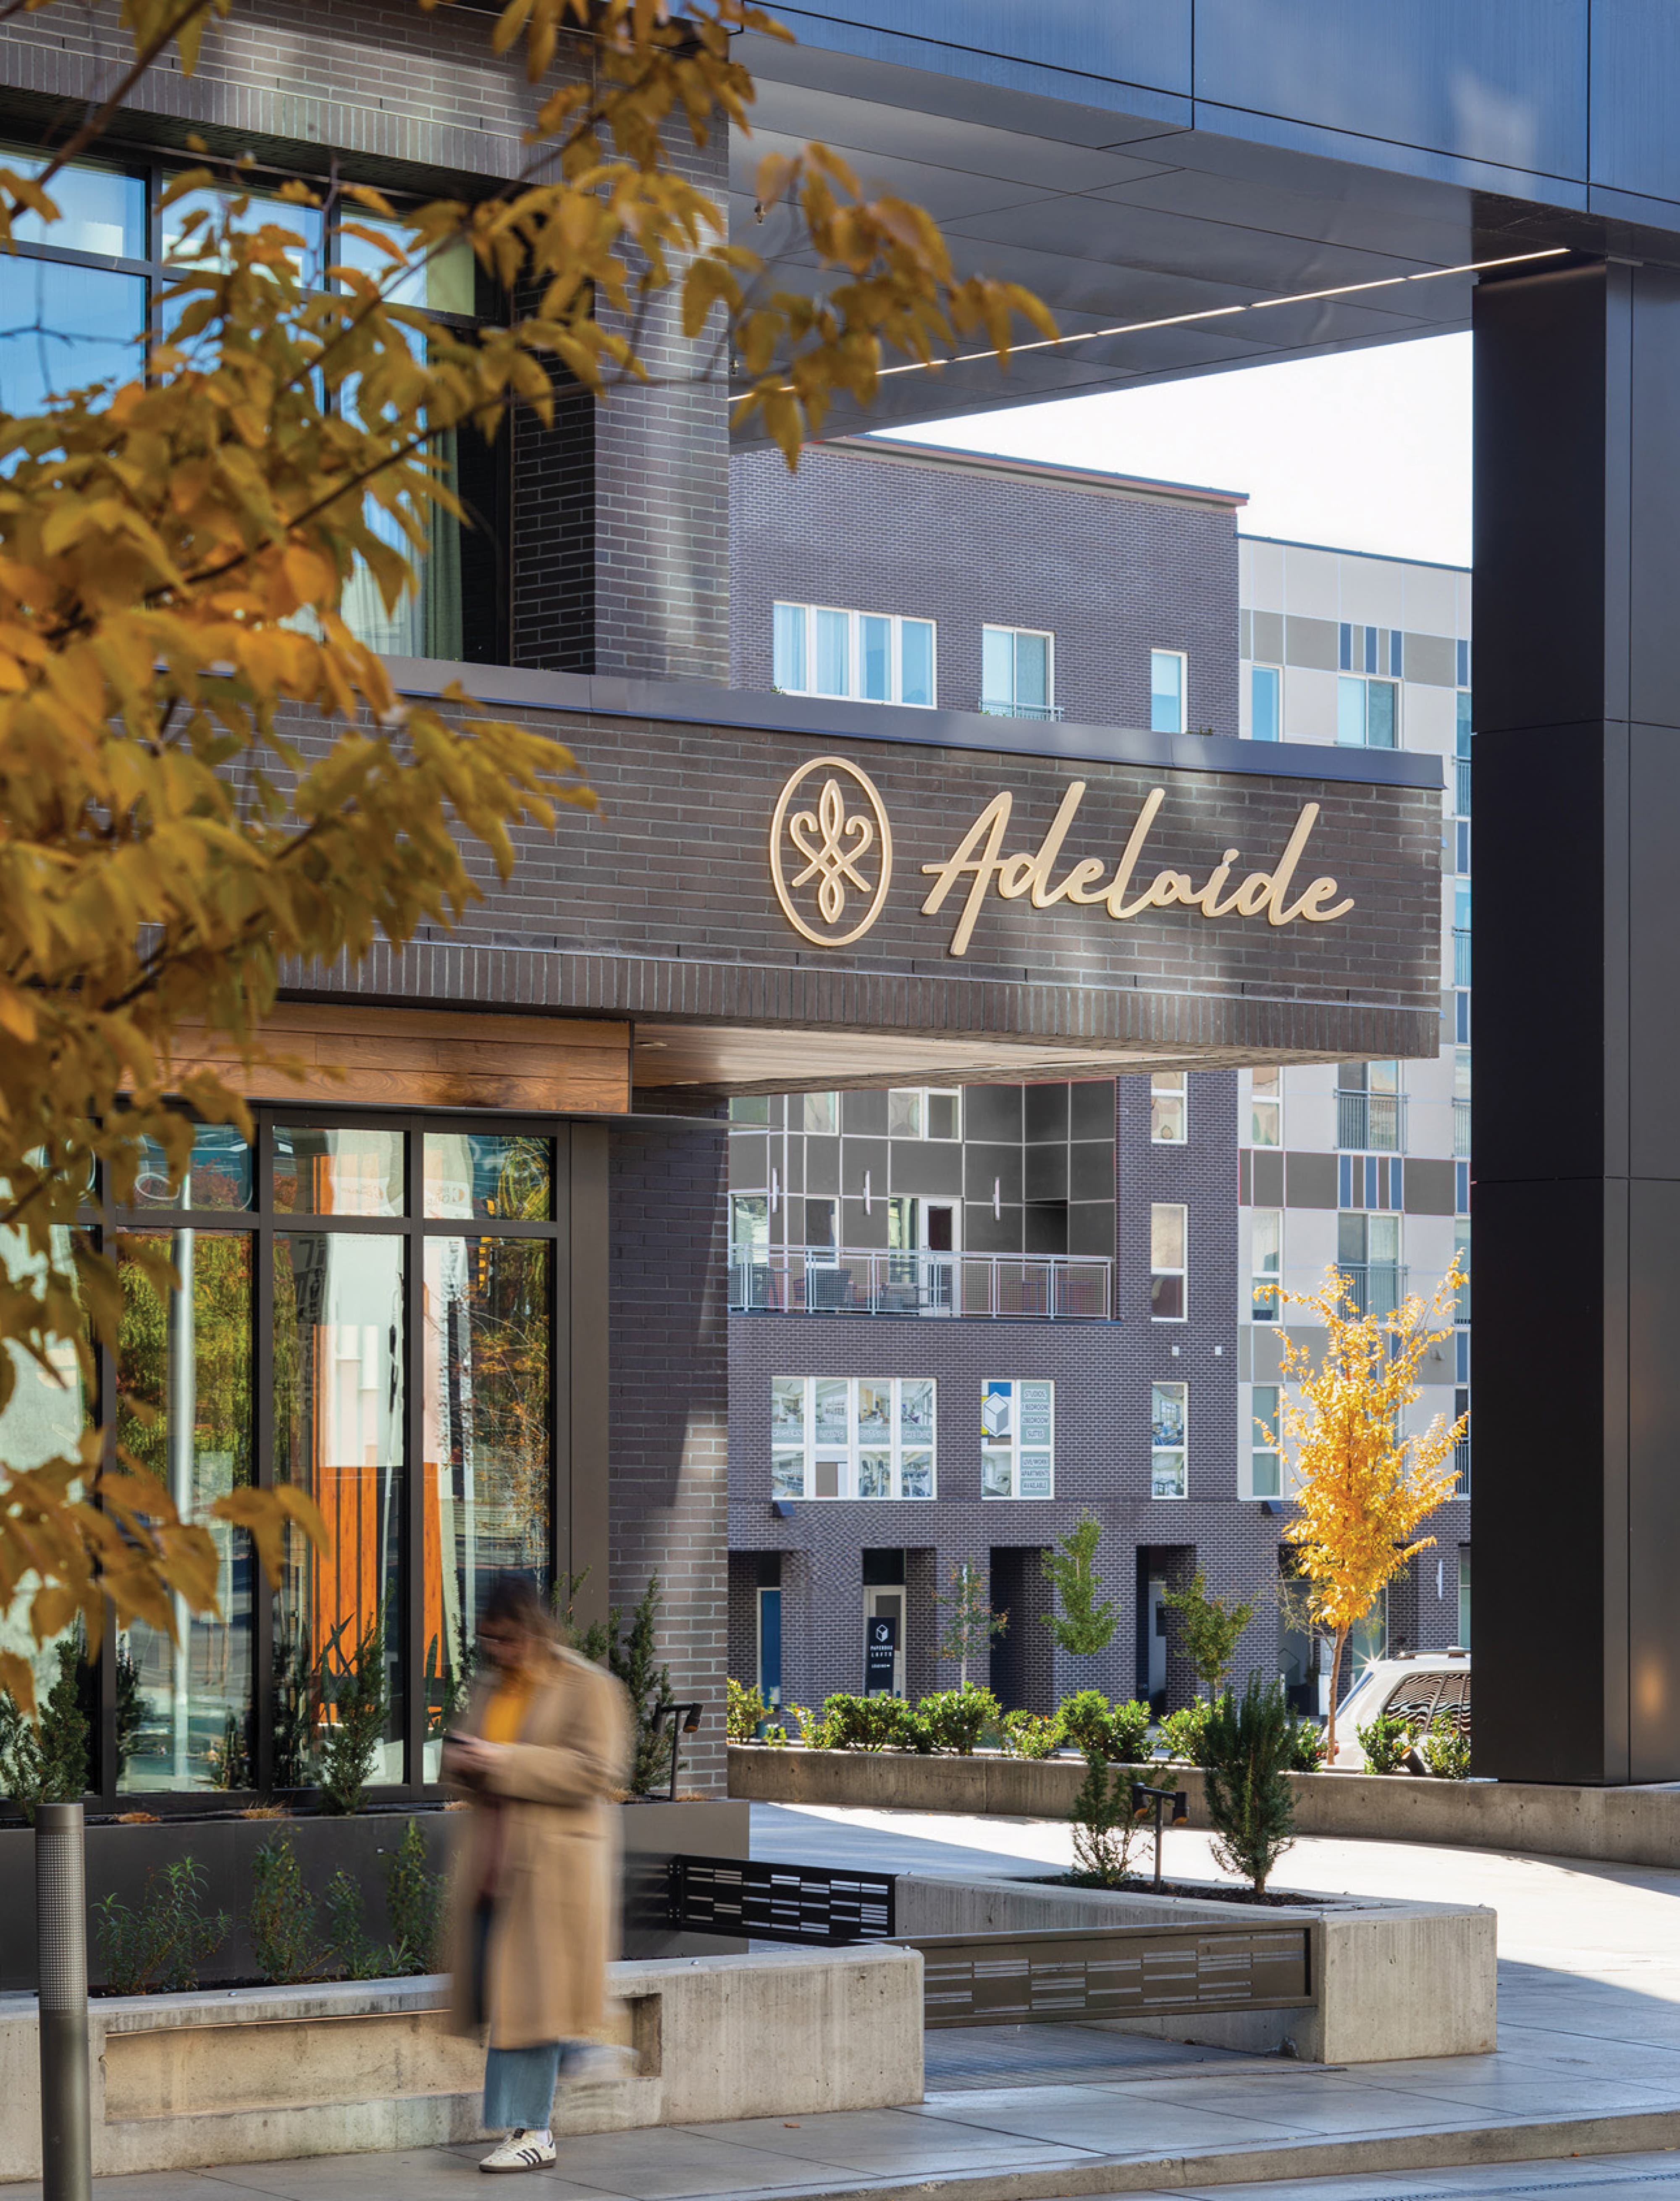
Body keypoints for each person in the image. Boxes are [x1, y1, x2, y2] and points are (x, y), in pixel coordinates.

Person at [442, 1573, 631, 2174]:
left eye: (508, 1638)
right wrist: (466, 1760)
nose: (499, 1651)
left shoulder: (585, 1685)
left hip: (553, 1871)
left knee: (526, 2001)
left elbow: (595, 1770)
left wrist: (505, 1760)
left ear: (535, 1629)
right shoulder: (494, 1687)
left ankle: (534, 2129)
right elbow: (468, 1761)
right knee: (501, 1999)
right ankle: (580, 2052)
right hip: (496, 1863)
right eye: (489, 1640)